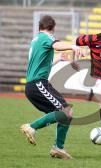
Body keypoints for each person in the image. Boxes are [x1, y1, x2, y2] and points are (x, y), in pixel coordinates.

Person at [20, 15, 81, 159]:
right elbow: (56, 44)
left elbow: (43, 64)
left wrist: (60, 59)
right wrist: (72, 46)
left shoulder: (36, 41)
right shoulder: (46, 37)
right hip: (37, 84)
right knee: (65, 112)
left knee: (67, 112)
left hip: (37, 84)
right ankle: (31, 127)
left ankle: (58, 149)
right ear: (52, 29)